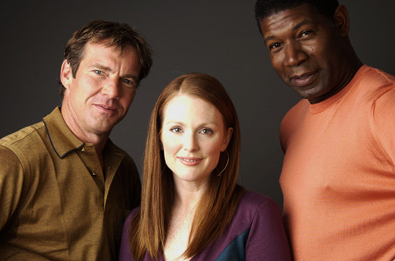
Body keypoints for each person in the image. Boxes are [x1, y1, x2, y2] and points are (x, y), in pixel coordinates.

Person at [0, 20, 153, 260]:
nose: (112, 91)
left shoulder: (125, 170)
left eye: (127, 80)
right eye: (99, 72)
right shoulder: (12, 158)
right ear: (67, 73)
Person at [255, 0, 395, 259]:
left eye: (305, 34)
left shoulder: (385, 105)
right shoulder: (292, 123)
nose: (293, 57)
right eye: (276, 45)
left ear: (340, 22)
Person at [119, 73, 291, 260]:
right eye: (177, 129)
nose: (190, 145)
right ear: (159, 136)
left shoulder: (256, 214)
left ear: (226, 138)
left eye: (205, 131)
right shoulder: (136, 224)